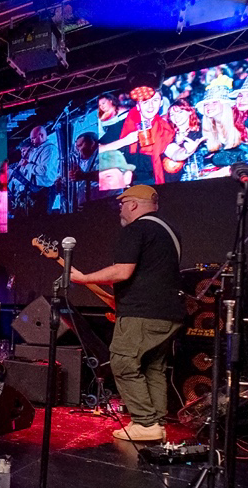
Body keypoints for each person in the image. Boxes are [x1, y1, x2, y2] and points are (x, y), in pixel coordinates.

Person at [69, 184, 183, 442]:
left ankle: (144, 423)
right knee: (153, 368)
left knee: (122, 363)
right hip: (169, 314)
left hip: (142, 313)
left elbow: (122, 271)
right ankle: (156, 423)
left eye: (122, 204)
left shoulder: (137, 229)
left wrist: (84, 278)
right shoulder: (169, 231)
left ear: (133, 204)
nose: (120, 209)